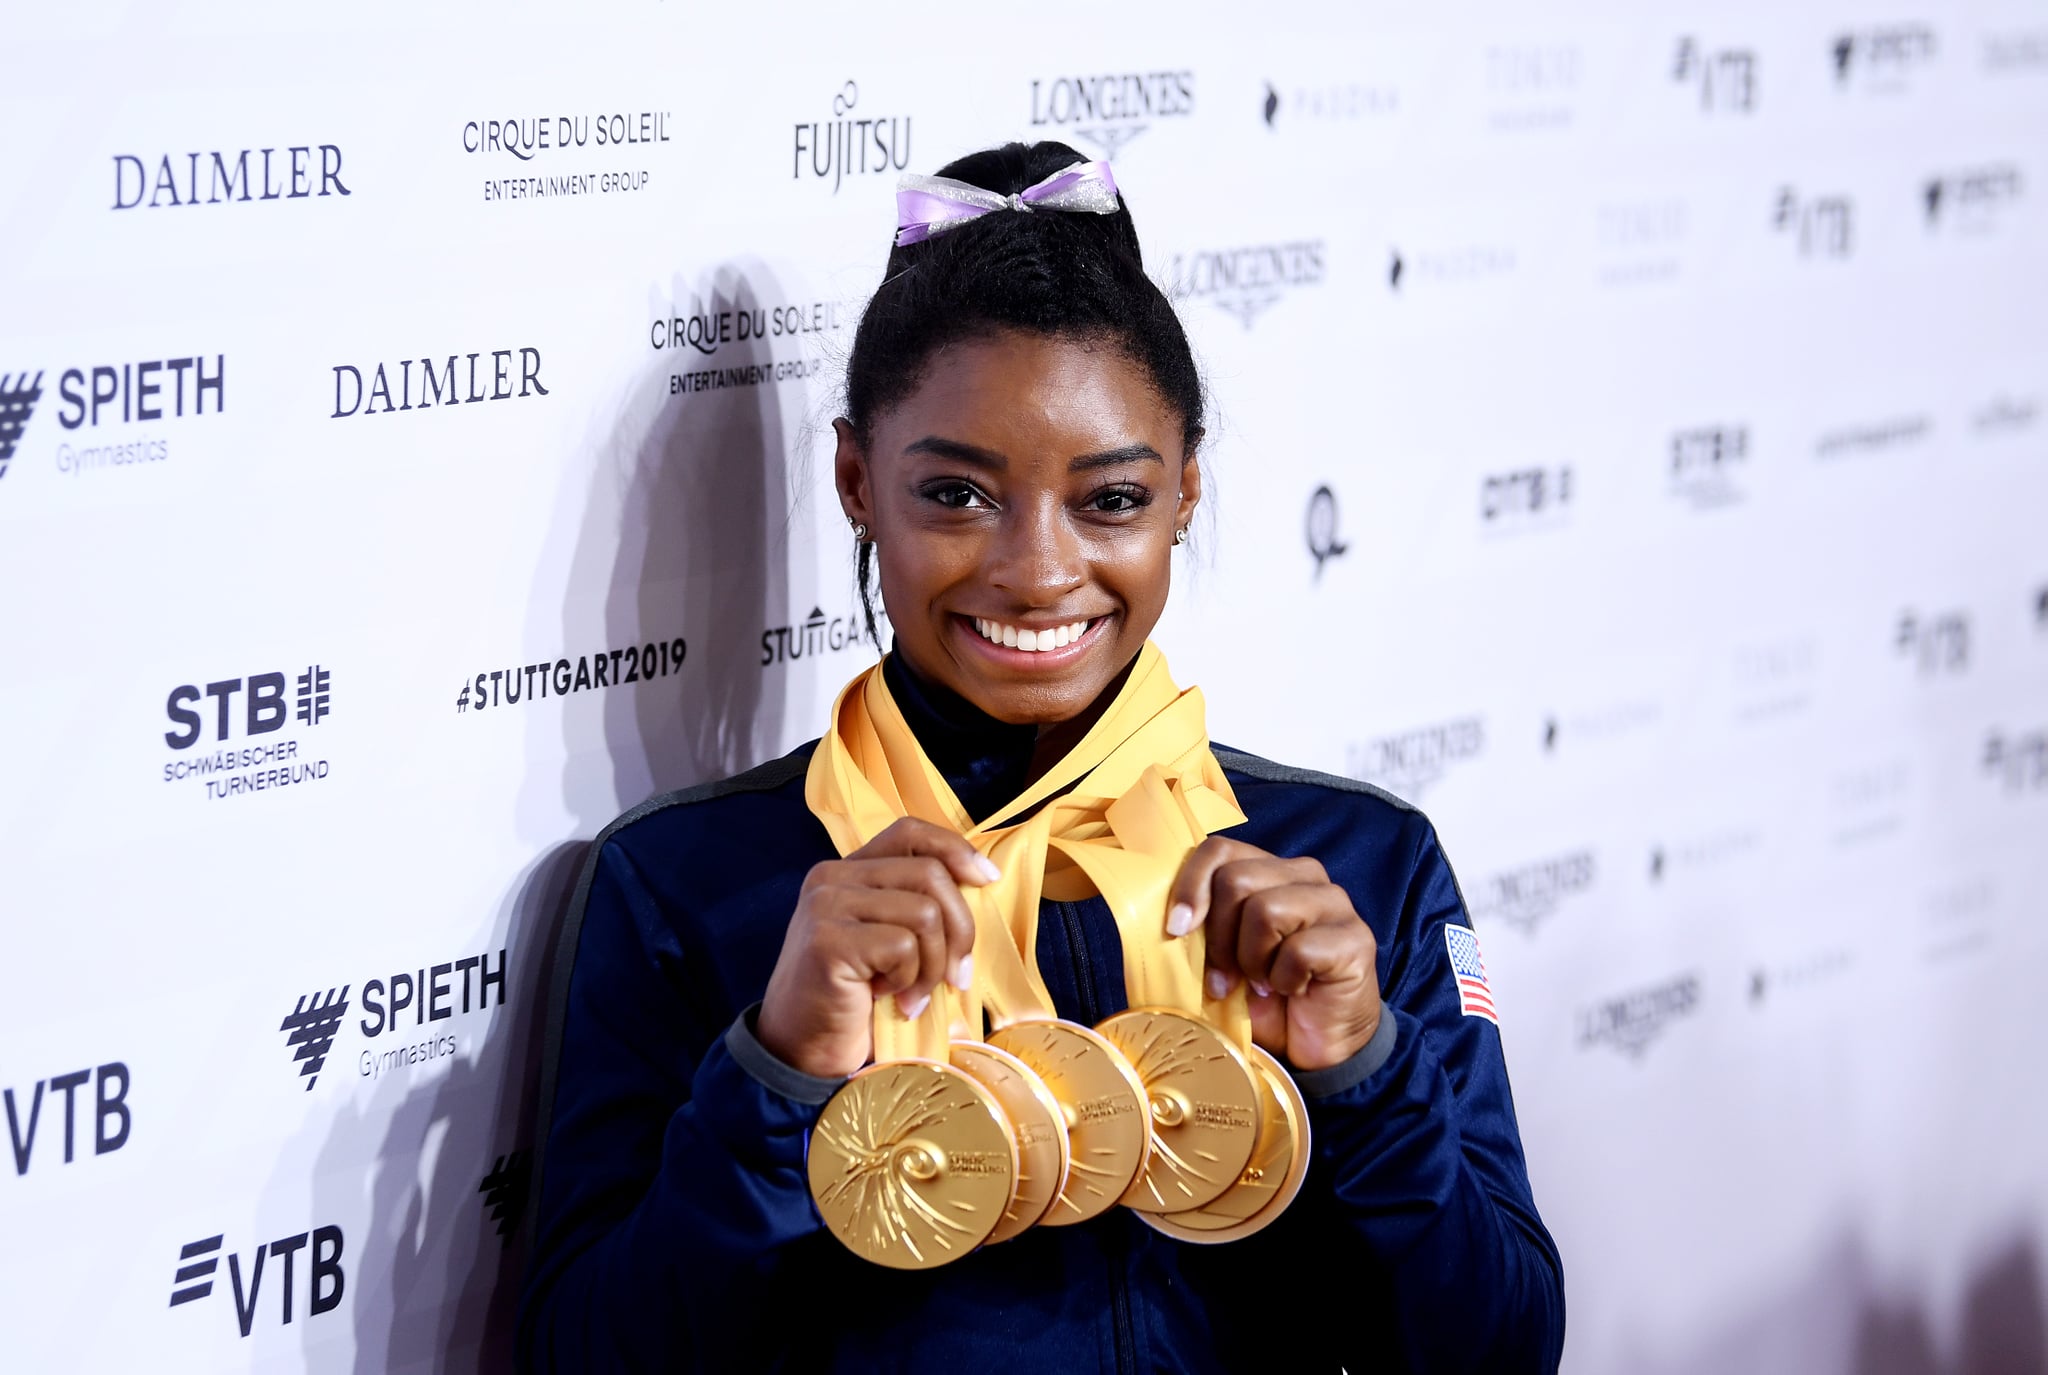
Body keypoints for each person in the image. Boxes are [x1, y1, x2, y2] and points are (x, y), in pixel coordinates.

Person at [516, 141, 1564, 1373]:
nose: (1036, 569)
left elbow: (1501, 1347)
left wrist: (1363, 1069)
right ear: (856, 481)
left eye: (1109, 499)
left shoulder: (1353, 864)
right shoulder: (687, 879)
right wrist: (778, 1069)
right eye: (955, 496)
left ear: (1183, 490)